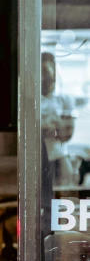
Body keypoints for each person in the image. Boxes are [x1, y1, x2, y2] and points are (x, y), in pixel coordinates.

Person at [41, 51, 76, 187]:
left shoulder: (64, 99)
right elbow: (30, 133)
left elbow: (66, 133)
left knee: (62, 196)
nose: (46, 77)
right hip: (37, 159)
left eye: (48, 71)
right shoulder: (30, 99)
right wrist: (53, 127)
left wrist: (43, 128)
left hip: (59, 157)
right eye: (42, 72)